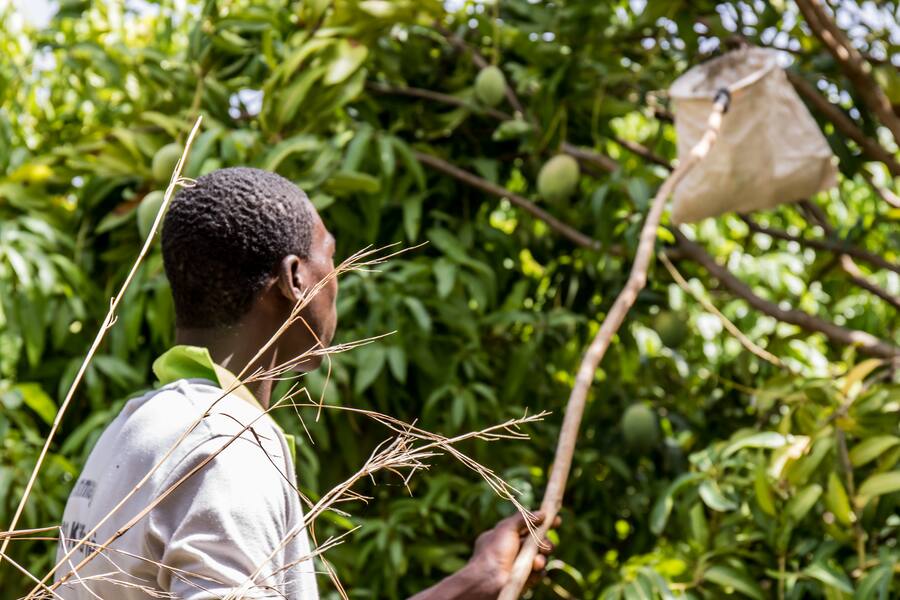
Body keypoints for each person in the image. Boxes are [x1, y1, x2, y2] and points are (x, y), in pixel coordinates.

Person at [55, 167, 557, 599]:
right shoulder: (223, 448)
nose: (338, 277)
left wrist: (471, 585)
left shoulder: (134, 427)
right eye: (331, 257)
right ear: (296, 278)